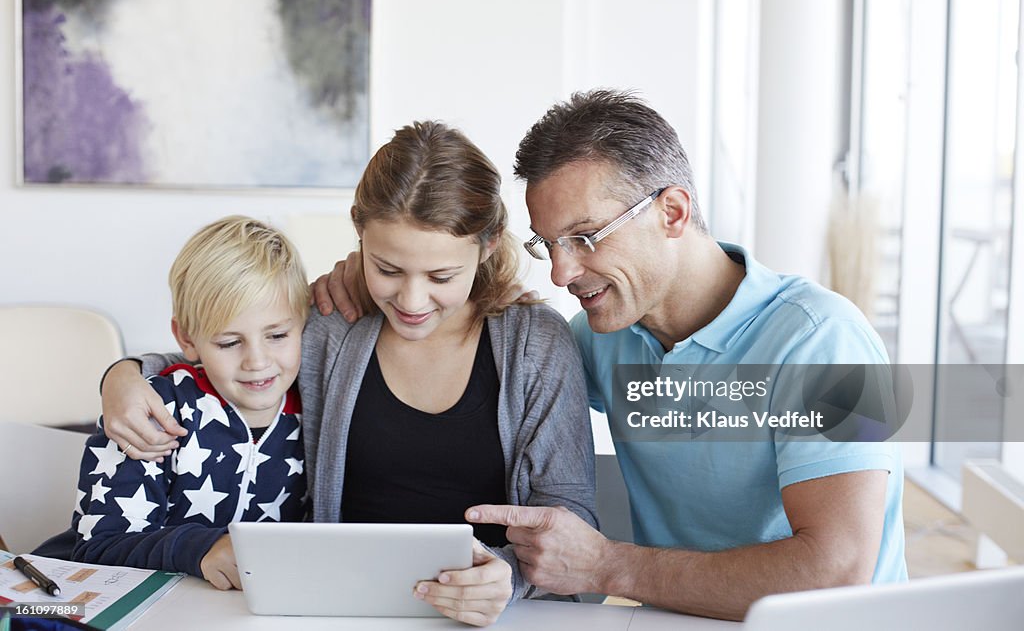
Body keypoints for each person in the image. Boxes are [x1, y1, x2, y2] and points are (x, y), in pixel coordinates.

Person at [311, 90, 908, 621]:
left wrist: (608, 567)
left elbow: (837, 571)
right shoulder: (602, 338)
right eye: (548, 244)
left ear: (672, 212)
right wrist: (363, 277)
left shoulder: (829, 342)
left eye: (585, 238)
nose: (561, 271)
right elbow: (511, 374)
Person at [99, 121, 598, 627]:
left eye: (441, 277)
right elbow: (226, 352)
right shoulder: (331, 326)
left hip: (497, 617)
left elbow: (570, 517)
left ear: (488, 246)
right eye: (387, 269)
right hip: (340, 614)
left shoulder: (536, 343)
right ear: (359, 234)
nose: (411, 301)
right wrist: (127, 373)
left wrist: (508, 578)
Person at [70, 215, 309, 590]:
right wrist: (199, 548)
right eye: (229, 343)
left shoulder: (319, 414)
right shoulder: (153, 412)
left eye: (277, 335)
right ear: (187, 337)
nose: (257, 361)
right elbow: (96, 547)